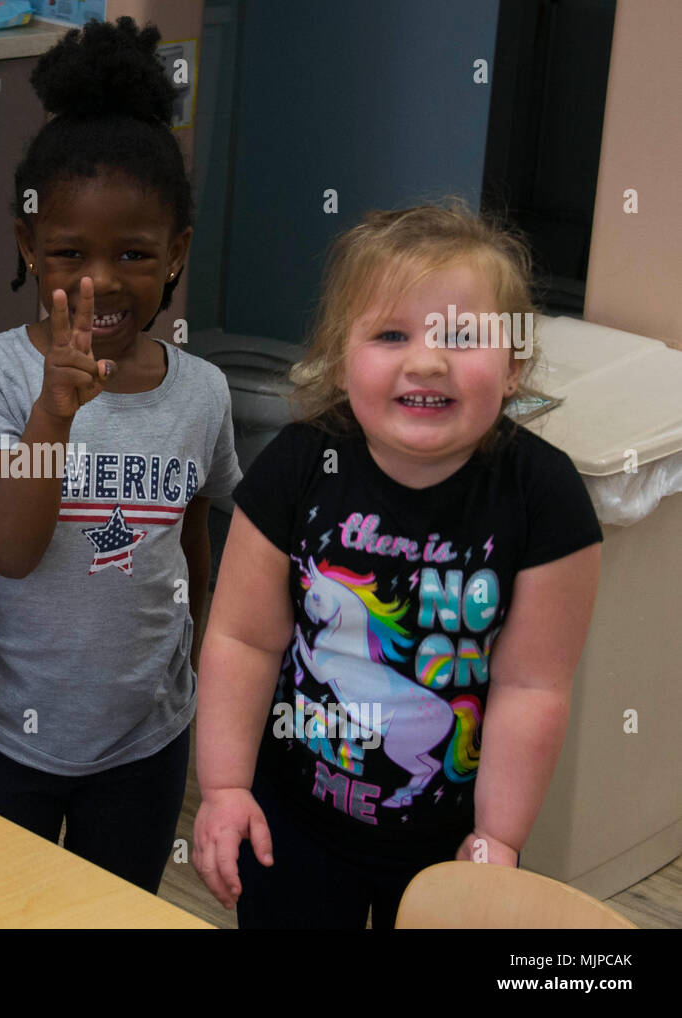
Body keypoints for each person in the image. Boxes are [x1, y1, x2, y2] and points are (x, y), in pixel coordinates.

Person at [192, 203, 603, 929]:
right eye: (390, 334)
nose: (426, 360)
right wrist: (224, 788)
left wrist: (498, 839)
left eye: (464, 338)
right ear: (339, 353)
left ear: (513, 367)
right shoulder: (296, 466)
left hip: (452, 846)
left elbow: (532, 687)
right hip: (296, 823)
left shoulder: (545, 497)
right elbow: (242, 641)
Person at [0, 18, 241, 894]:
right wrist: (53, 413)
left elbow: (193, 536)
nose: (100, 281)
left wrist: (200, 655)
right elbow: (7, 548)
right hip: (7, 733)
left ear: (175, 255)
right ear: (30, 246)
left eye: (134, 255)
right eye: (70, 253)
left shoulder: (203, 393)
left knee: (114, 912)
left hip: (145, 736)